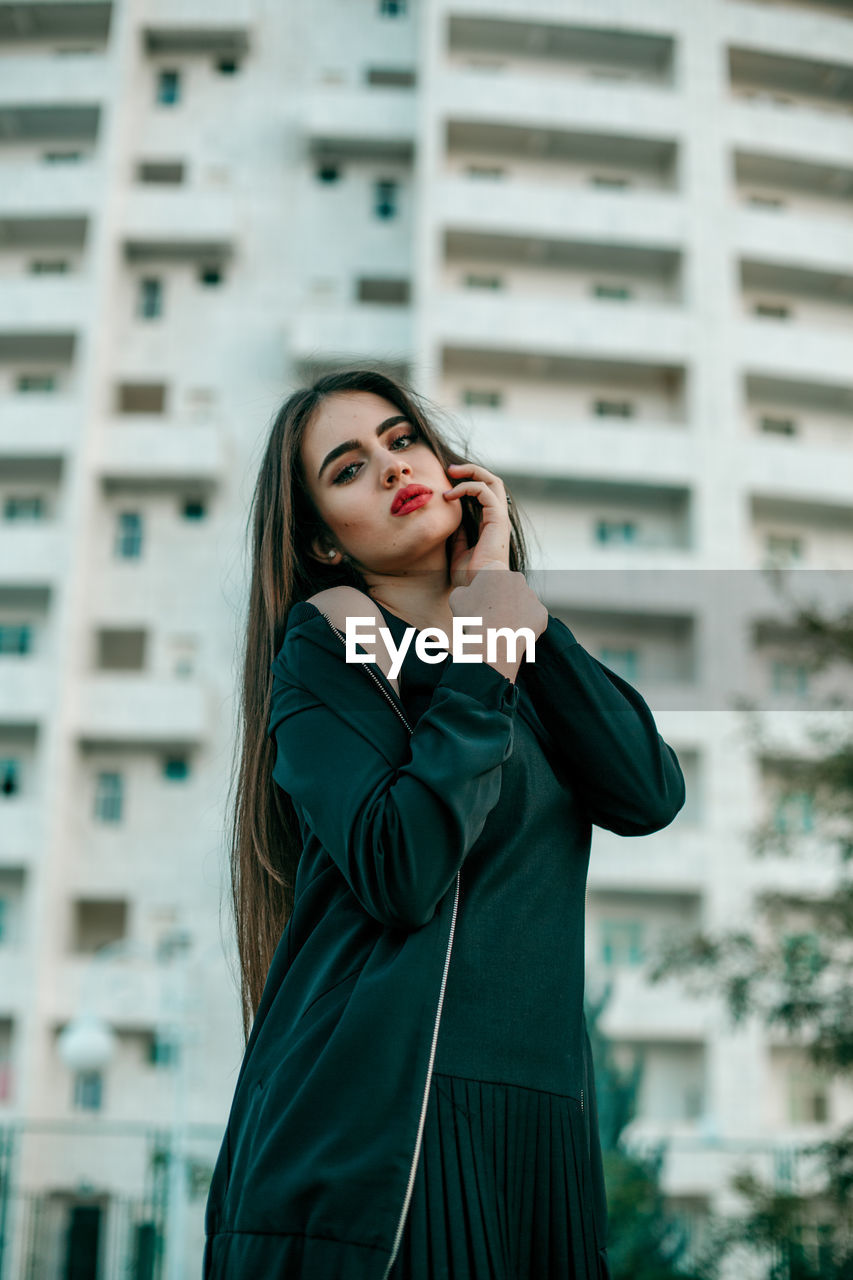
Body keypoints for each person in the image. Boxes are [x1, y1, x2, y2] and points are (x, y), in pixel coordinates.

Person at [203, 367, 686, 1279]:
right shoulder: (328, 648)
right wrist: (486, 649)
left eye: (400, 440)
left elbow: (647, 792)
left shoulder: (516, 650)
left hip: (538, 1123)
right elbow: (403, 865)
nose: (390, 469)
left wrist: (511, 614)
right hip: (381, 1126)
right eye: (347, 469)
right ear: (323, 543)